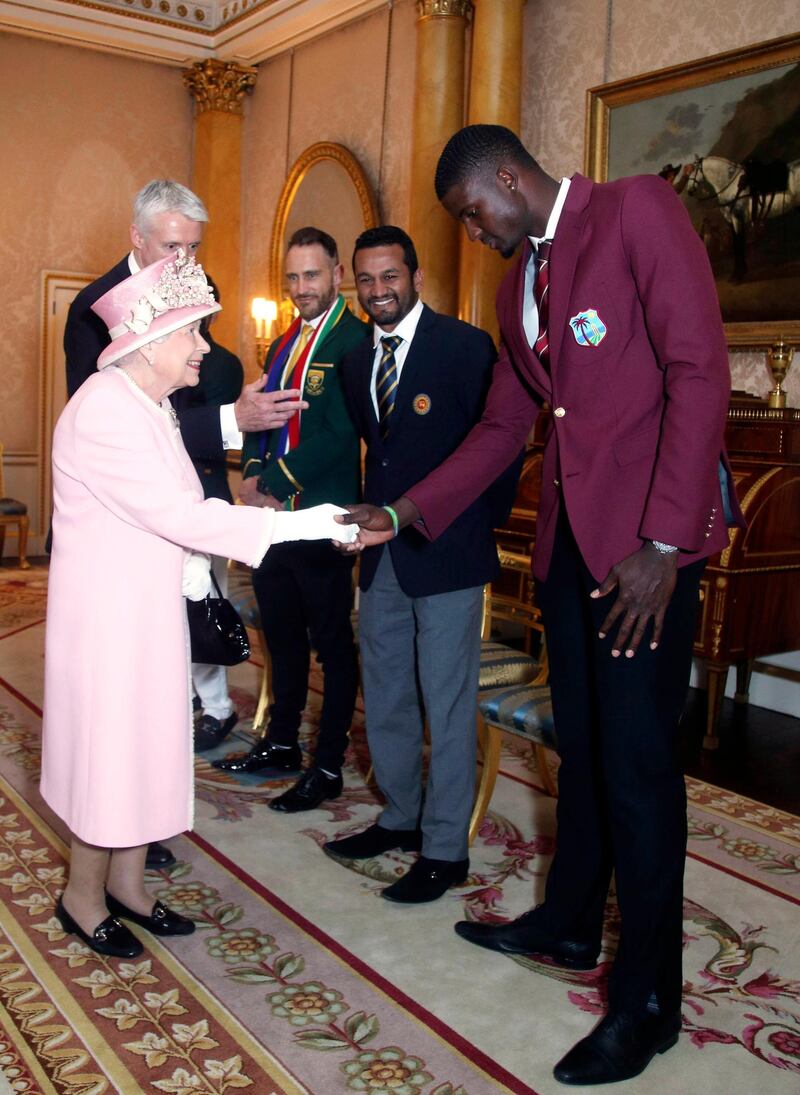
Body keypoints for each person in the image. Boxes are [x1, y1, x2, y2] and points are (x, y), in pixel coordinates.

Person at [337, 125, 743, 1085]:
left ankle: (649, 1000)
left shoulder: (637, 209)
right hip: (571, 552)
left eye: (474, 213)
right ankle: (569, 922)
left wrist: (664, 542)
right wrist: (407, 508)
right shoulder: (518, 281)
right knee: (585, 751)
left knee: (639, 772)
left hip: (646, 555)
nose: (473, 233)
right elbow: (507, 425)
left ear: (508, 179)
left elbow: (700, 371)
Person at [41, 249, 356, 959]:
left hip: (144, 614)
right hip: (109, 625)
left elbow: (187, 501)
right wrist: (304, 522)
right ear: (153, 343)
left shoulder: (144, 403)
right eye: (195, 334)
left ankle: (128, 884)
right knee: (110, 758)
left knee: (148, 747)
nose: (205, 350)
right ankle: (81, 897)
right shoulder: (104, 413)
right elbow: (184, 517)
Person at [64, 179, 306, 867]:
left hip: (189, 522)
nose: (186, 259)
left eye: (194, 247)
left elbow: (176, 407)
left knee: (166, 703)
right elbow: (116, 425)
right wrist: (233, 421)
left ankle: (138, 844)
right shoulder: (96, 313)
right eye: (174, 245)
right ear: (137, 238)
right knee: (121, 718)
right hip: (129, 543)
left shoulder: (188, 311)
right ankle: (115, 844)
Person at [323, 226, 520, 903]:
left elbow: (498, 455)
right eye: (367, 279)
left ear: (416, 275)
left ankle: (444, 849)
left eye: (390, 276)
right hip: (380, 562)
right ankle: (401, 816)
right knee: (385, 696)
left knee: (447, 699)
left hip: (449, 556)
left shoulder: (466, 349)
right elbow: (377, 456)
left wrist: (470, 530)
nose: (379, 290)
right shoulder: (354, 362)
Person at [213, 228, 368, 813]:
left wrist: (276, 484)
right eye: (294, 277)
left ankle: (326, 763)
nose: (302, 287)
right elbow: (262, 421)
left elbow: (341, 436)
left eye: (312, 275)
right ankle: (280, 743)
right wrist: (252, 475)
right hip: (273, 522)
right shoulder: (282, 343)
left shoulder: (354, 340)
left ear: (336, 275)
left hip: (322, 518)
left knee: (331, 644)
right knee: (280, 636)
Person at [181, 277, 246, 752]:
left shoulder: (223, 364)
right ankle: (181, 695)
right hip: (160, 495)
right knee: (167, 609)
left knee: (204, 606)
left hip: (206, 495)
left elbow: (209, 429)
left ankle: (218, 707)